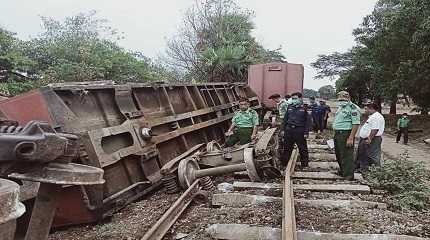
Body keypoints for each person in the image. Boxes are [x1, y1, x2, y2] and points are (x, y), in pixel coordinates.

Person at [333, 91, 361, 180]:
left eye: (343, 99)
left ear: (349, 98)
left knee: (346, 155)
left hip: (346, 134)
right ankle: (343, 171)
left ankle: (348, 175)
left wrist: (351, 138)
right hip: (338, 133)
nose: (341, 101)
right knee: (339, 154)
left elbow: (356, 124)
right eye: (340, 99)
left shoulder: (353, 108)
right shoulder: (341, 107)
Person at [281, 92, 311, 169]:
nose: (294, 100)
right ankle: (284, 164)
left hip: (299, 131)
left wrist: (306, 132)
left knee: (302, 148)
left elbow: (308, 122)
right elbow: (285, 119)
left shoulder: (305, 108)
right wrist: (283, 130)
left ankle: (305, 165)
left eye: (295, 98)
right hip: (289, 130)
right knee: (287, 148)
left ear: (300, 99)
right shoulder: (290, 107)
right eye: (293, 99)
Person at [356, 102, 385, 172]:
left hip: (373, 139)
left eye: (366, 109)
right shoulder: (372, 116)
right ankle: (363, 169)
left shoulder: (377, 117)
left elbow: (375, 129)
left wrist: (369, 138)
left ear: (371, 109)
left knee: (372, 155)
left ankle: (375, 171)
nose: (365, 111)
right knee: (363, 154)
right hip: (367, 138)